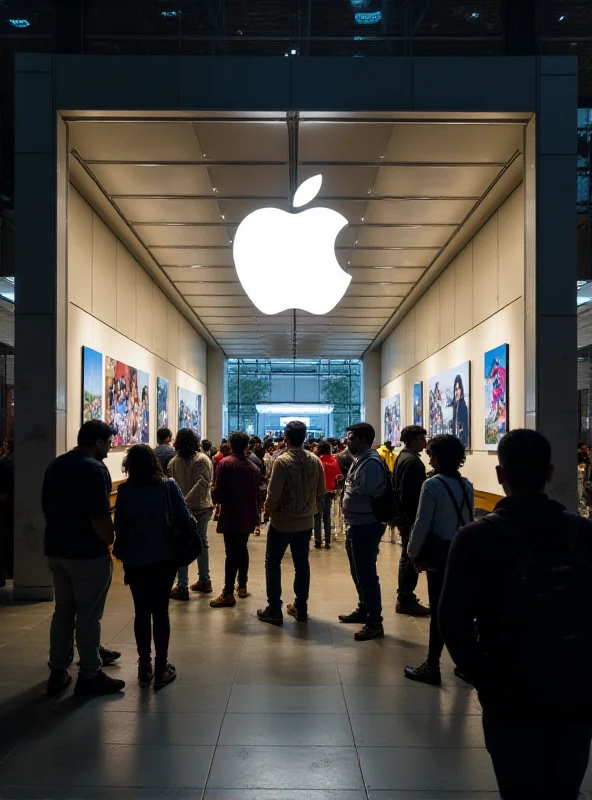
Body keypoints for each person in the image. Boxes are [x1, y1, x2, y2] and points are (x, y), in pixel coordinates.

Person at [440, 429, 592, 799]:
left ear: (500, 474)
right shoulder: (583, 533)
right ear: (551, 473)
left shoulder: (475, 538)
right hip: (574, 685)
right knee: (565, 788)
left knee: (518, 787)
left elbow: (453, 622)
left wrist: (485, 679)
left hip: (510, 684)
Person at [42, 420, 125, 697]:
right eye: (109, 441)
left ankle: (58, 670)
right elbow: (99, 515)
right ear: (99, 442)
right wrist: (110, 539)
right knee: (89, 615)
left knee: (63, 612)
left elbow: (45, 505)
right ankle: (90, 674)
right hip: (86, 553)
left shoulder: (57, 464)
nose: (111, 446)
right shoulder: (95, 469)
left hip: (56, 548)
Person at [114, 445, 189, 687]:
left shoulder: (124, 491)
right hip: (165, 558)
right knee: (161, 611)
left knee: (141, 612)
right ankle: (161, 665)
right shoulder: (168, 486)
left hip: (135, 560)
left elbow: (120, 528)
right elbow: (185, 519)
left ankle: (144, 665)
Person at [404, 434, 473, 686]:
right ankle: (466, 664)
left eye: (431, 452)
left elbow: (422, 523)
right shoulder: (466, 484)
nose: (428, 456)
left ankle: (432, 665)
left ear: (439, 456)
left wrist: (413, 552)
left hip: (440, 555)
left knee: (440, 612)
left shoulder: (431, 485)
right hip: (461, 552)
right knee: (460, 611)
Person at [257, 421, 325, 626]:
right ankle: (301, 607)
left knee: (273, 563)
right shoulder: (315, 460)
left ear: (286, 437)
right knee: (302, 564)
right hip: (305, 522)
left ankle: (274, 608)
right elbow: (321, 492)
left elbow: (273, 494)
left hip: (283, 522)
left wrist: (266, 513)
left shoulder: (282, 461)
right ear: (304, 437)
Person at [339, 422, 387, 641]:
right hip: (356, 523)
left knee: (366, 573)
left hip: (366, 525)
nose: (347, 442)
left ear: (363, 440)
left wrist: (349, 485)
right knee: (358, 570)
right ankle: (364, 607)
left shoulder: (372, 462)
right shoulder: (360, 460)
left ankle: (375, 621)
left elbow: (364, 489)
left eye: (351, 438)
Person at [209, 431, 260, 608]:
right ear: (247, 446)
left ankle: (228, 592)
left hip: (231, 514)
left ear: (231, 445)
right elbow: (256, 495)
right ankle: (243, 585)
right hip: (248, 514)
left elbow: (219, 492)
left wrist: (213, 497)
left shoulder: (225, 464)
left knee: (231, 552)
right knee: (242, 548)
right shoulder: (254, 468)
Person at [168, 429, 213, 599]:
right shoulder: (203, 459)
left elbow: (173, 487)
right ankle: (204, 579)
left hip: (181, 511)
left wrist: (182, 504)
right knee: (202, 542)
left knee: (181, 544)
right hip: (201, 507)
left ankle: (182, 586)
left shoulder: (173, 462)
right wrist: (187, 502)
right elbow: (204, 483)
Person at [393, 425, 430, 616]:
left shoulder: (403, 456)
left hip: (403, 516)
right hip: (410, 517)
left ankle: (405, 596)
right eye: (423, 439)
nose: (425, 443)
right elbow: (411, 495)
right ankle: (406, 598)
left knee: (406, 555)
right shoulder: (413, 462)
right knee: (411, 556)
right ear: (414, 440)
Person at [314, 440, 341, 549]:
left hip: (319, 492)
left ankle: (317, 540)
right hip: (330, 492)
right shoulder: (334, 461)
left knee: (317, 517)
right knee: (327, 516)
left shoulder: (318, 461)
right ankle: (328, 540)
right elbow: (338, 476)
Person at [451, 374, 469, 446]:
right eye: (455, 389)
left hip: (462, 441)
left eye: (458, 389)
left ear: (461, 390)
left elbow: (463, 426)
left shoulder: (463, 405)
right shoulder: (455, 406)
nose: (456, 392)